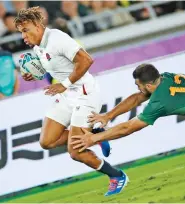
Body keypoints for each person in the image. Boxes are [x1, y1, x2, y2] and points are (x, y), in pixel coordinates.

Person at [14, 7, 128, 196]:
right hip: (67, 95)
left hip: (85, 94)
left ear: (37, 25)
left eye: (25, 30)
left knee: (75, 152)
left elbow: (86, 60)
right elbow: (52, 64)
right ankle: (94, 134)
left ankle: (117, 175)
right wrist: (33, 75)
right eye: (21, 33)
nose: (23, 37)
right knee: (47, 141)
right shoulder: (38, 47)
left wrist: (64, 84)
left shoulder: (57, 38)